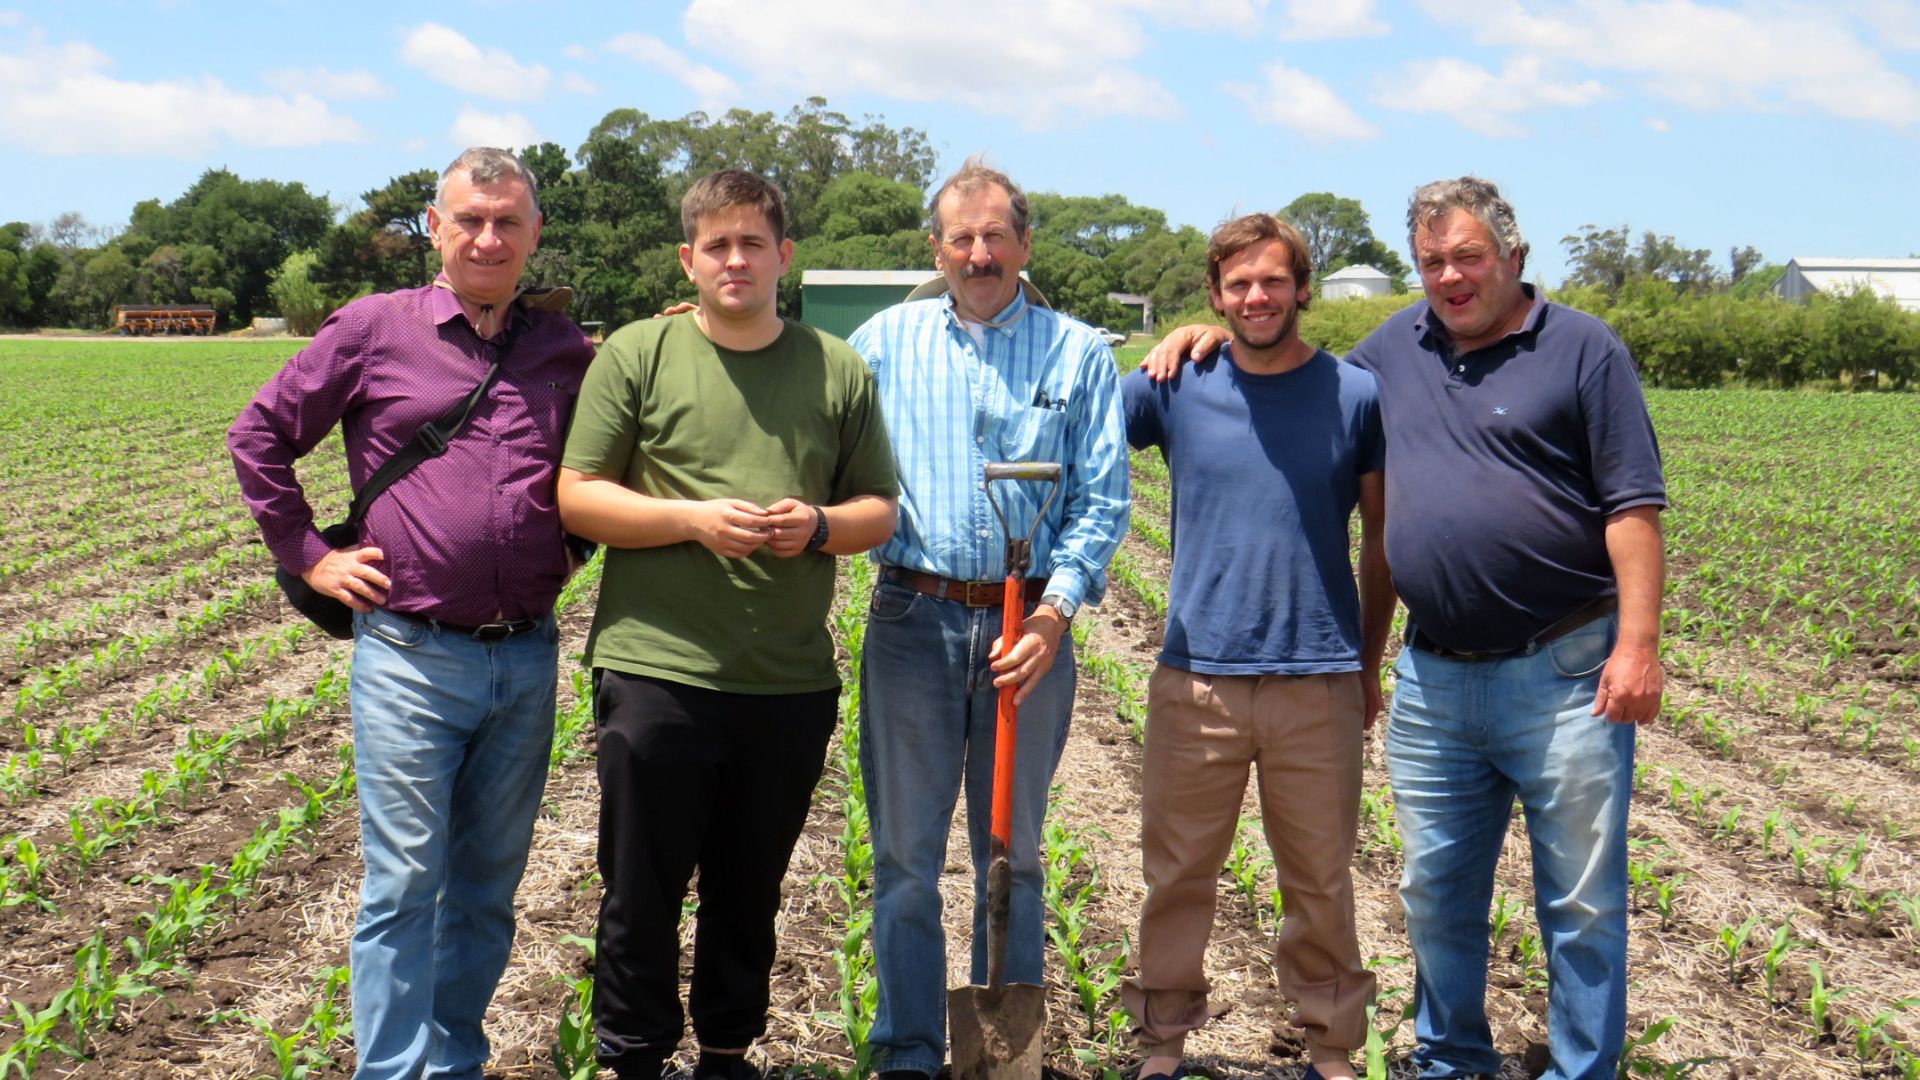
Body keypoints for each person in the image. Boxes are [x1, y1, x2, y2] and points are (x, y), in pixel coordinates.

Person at [1146, 176, 1666, 1080]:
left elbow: (1633, 503)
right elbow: (1279, 369)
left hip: (1564, 667)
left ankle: (1581, 1068)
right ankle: (1451, 1059)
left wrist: (1638, 644)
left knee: (1580, 896)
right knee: (1432, 890)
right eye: (1432, 262)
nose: (1450, 276)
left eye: (1468, 257)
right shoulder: (1393, 349)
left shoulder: (1582, 347)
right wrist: (1201, 338)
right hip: (1434, 676)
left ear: (1513, 255)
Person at [228, 147, 593, 1080]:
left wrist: (576, 548)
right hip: (410, 656)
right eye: (469, 219)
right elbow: (259, 434)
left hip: (527, 657)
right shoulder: (374, 328)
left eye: (507, 222)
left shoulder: (564, 348)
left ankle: (455, 1062)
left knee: (487, 890)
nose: (487, 238)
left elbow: (609, 459)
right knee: (402, 884)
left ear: (534, 232)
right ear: (435, 227)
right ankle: (391, 1070)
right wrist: (309, 555)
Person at [556, 169, 900, 1080]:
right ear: (689, 260)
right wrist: (692, 520)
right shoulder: (639, 353)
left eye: (753, 243)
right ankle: (632, 1056)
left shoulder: (836, 367)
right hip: (656, 671)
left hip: (786, 680)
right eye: (717, 245)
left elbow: (877, 508)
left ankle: (724, 1053)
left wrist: (818, 526)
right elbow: (579, 495)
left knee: (749, 892)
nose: (735, 260)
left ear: (785, 256)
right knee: (641, 887)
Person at [844, 157, 1130, 1080]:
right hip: (913, 619)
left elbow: (1102, 499)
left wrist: (1053, 615)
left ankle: (1000, 1059)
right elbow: (815, 422)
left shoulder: (1076, 352)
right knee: (904, 856)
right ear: (937, 249)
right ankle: (908, 1049)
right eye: (961, 238)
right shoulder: (883, 343)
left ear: (1024, 243)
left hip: (1029, 627)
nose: (979, 254)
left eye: (995, 236)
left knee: (1017, 850)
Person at [1119, 213, 1389, 1080]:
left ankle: (1333, 1047)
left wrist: (1367, 666)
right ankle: (1161, 1045)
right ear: (1215, 296)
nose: (1257, 296)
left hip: (1318, 680)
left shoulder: (1355, 395)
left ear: (1303, 288)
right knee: (1178, 875)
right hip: (1196, 678)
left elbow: (1381, 542)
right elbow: (1081, 424)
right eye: (1238, 284)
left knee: (1320, 881)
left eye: (1273, 280)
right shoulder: (1175, 384)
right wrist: (1163, 341)